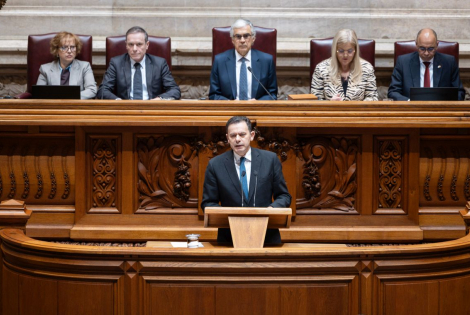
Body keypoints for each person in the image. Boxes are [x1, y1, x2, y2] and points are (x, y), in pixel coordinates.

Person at [201, 116, 291, 244]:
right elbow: (208, 203)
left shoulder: (270, 160)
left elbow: (284, 196)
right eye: (233, 136)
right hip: (229, 238)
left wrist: (271, 210)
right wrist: (230, 215)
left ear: (252, 135)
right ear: (227, 138)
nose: (237, 139)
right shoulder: (215, 165)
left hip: (267, 236)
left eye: (242, 134)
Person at [97, 26, 180, 100]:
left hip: (152, 109)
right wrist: (119, 102)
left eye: (139, 44)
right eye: (131, 44)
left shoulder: (159, 64)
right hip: (125, 111)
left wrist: (158, 100)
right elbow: (103, 91)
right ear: (126, 45)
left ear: (147, 45)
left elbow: (174, 90)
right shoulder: (116, 63)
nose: (135, 49)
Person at [388, 28, 465, 101]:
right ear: (416, 44)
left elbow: (459, 93)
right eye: (422, 48)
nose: (426, 53)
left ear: (437, 45)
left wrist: (443, 104)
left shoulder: (449, 62)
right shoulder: (403, 62)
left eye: (431, 49)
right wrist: (409, 102)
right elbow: (393, 92)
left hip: (440, 110)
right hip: (411, 110)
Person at [209, 19, 277, 100]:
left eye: (246, 36)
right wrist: (231, 104)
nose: (242, 40)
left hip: (256, 110)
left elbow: (272, 94)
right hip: (229, 111)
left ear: (253, 38)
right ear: (232, 40)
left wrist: (258, 103)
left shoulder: (267, 61)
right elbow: (214, 95)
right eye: (238, 36)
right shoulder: (219, 61)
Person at [310, 29, 378, 101]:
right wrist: (329, 104)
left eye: (350, 51)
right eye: (341, 51)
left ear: (355, 50)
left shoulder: (367, 68)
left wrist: (356, 108)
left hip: (358, 112)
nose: (345, 55)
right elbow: (314, 100)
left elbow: (373, 98)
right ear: (335, 50)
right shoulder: (321, 69)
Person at [37, 32, 97, 99]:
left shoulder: (85, 67)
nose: (69, 51)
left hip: (76, 106)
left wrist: (69, 97)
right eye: (64, 47)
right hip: (54, 107)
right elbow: (39, 93)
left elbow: (92, 90)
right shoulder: (45, 69)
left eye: (72, 47)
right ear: (56, 50)